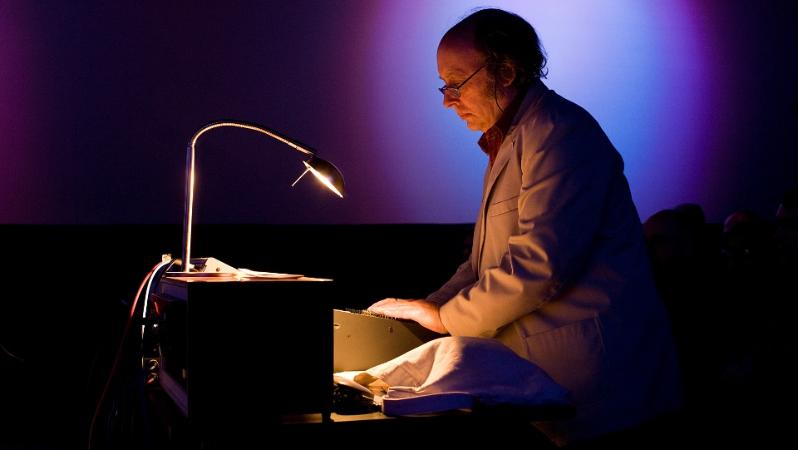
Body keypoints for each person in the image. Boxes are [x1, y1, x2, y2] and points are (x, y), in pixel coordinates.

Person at [368, 8, 681, 446]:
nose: (447, 100)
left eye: (456, 83)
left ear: (507, 71)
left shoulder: (560, 133)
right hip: (554, 388)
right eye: (444, 85)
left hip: (604, 391)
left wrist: (442, 317)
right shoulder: (514, 139)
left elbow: (539, 266)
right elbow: (482, 265)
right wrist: (428, 307)